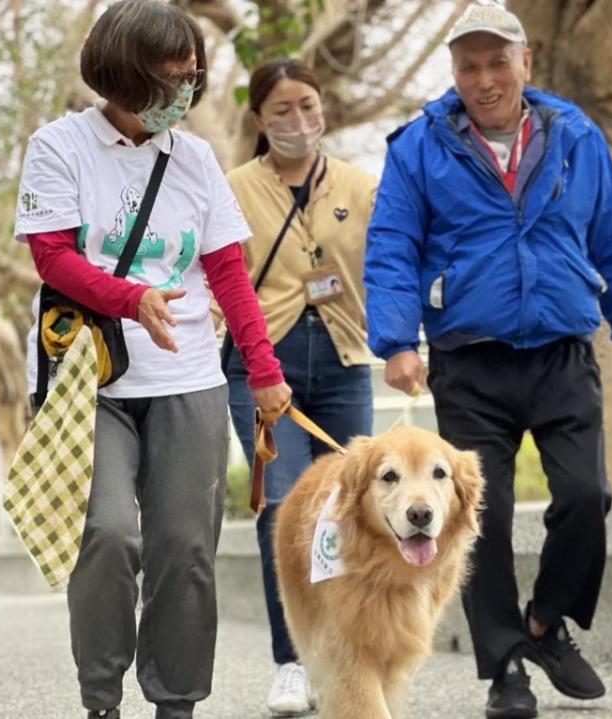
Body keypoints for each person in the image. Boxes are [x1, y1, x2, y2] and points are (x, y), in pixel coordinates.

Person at [364, 4, 612, 719]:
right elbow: (392, 248)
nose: (485, 79)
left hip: (562, 350)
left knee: (588, 495)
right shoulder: (418, 147)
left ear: (526, 62)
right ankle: (504, 669)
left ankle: (547, 623)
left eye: (498, 62)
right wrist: (399, 341)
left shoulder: (575, 136)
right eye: (469, 66)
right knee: (477, 516)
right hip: (470, 358)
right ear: (454, 73)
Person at [13, 2, 290, 718]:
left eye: (192, 79)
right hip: (88, 376)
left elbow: (229, 273)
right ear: (122, 73)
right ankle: (101, 697)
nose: (183, 94)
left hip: (189, 373)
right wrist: (133, 299)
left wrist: (263, 371)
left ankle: (176, 702)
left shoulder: (195, 158)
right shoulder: (59, 146)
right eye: (169, 80)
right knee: (105, 532)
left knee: (187, 548)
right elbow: (53, 258)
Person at [221, 58, 376, 717]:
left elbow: (384, 263)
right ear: (258, 119)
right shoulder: (232, 188)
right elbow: (220, 275)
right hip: (264, 364)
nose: (297, 121)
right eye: (281, 110)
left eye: (308, 106)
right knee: (284, 508)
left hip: (343, 357)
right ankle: (290, 660)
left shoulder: (360, 185)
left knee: (351, 506)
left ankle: (341, 650)